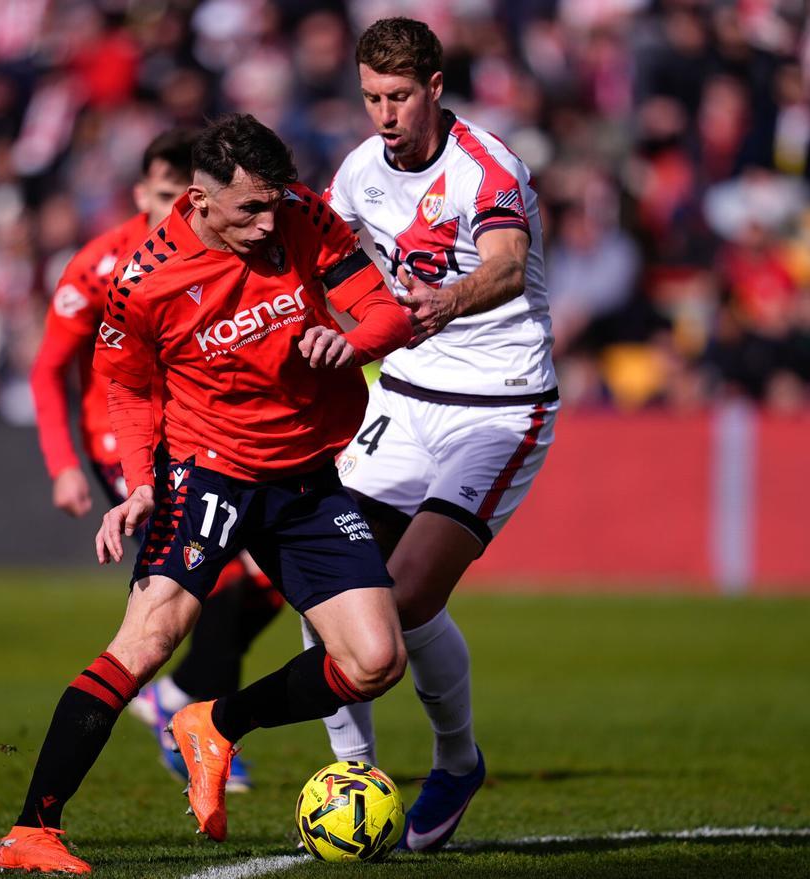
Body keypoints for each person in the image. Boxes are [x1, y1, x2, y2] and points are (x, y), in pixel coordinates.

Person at [0, 113, 413, 874]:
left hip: (306, 472)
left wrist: (352, 341)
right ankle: (32, 830)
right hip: (207, 469)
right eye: (250, 208)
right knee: (148, 640)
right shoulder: (143, 281)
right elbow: (124, 387)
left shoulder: (304, 214)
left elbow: (384, 309)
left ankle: (215, 723)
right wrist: (139, 484)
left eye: (274, 202)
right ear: (200, 199)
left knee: (376, 660)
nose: (268, 222)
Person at [317, 16, 560, 851]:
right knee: (326, 581)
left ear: (434, 88)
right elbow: (317, 254)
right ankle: (355, 775)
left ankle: (457, 760)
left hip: (499, 404)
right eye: (370, 98)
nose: (384, 115)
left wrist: (448, 300)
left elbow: (505, 261)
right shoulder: (359, 171)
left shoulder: (487, 166)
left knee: (410, 593)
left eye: (398, 97)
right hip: (404, 395)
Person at [29, 129, 284, 791]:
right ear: (144, 192)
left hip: (208, 435)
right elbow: (49, 368)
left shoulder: (231, 251)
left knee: (272, 580)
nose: (181, 208)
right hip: (127, 444)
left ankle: (177, 693)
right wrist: (62, 462)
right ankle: (199, 733)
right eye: (168, 194)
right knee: (219, 579)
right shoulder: (102, 267)